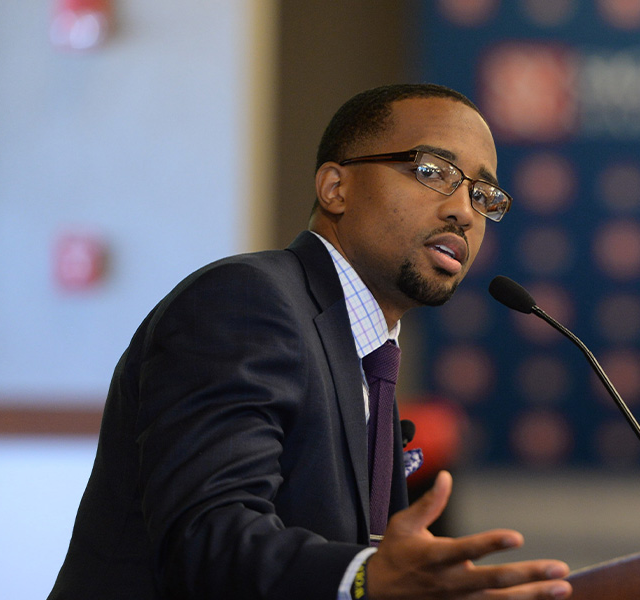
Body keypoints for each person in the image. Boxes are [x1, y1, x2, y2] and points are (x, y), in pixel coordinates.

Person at [48, 84, 572, 600]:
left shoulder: (365, 358)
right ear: (335, 188)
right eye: (432, 172)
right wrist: (367, 577)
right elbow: (207, 539)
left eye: (484, 195)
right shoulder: (245, 302)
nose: (464, 210)